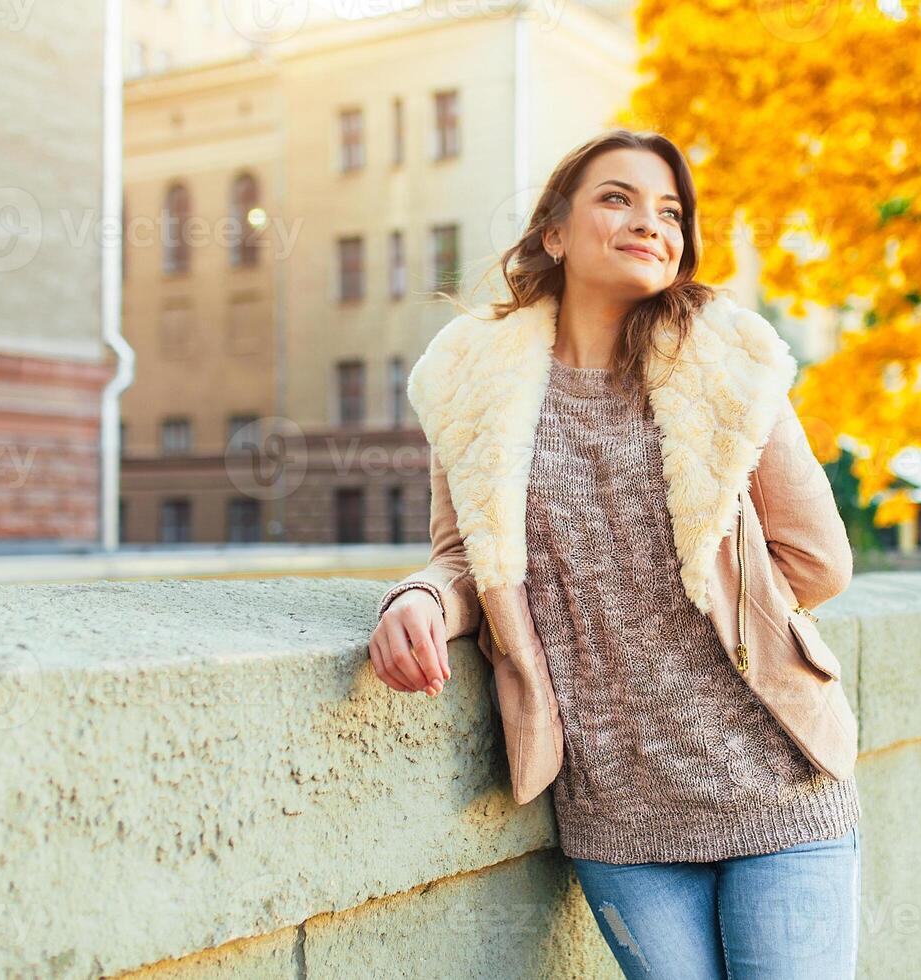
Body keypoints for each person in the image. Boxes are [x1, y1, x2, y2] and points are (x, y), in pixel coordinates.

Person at [371, 128, 863, 978]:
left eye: (670, 211)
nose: (650, 223)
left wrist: (703, 596)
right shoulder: (470, 380)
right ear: (554, 233)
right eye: (617, 198)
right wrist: (417, 599)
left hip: (777, 783)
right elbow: (465, 559)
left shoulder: (728, 363)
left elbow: (817, 561)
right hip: (617, 810)